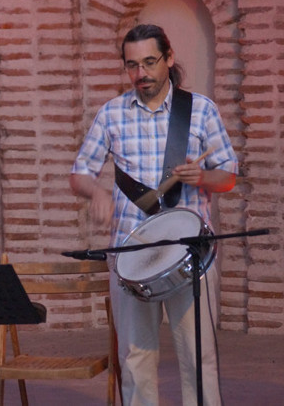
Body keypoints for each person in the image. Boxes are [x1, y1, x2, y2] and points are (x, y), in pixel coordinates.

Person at [70, 24, 238, 405]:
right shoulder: (112, 114)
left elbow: (228, 176)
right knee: (135, 361)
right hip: (131, 255)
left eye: (149, 62)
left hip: (189, 255)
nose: (141, 73)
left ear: (169, 58)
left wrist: (203, 176)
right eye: (132, 65)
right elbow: (79, 174)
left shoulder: (200, 111)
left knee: (198, 359)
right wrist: (96, 191)